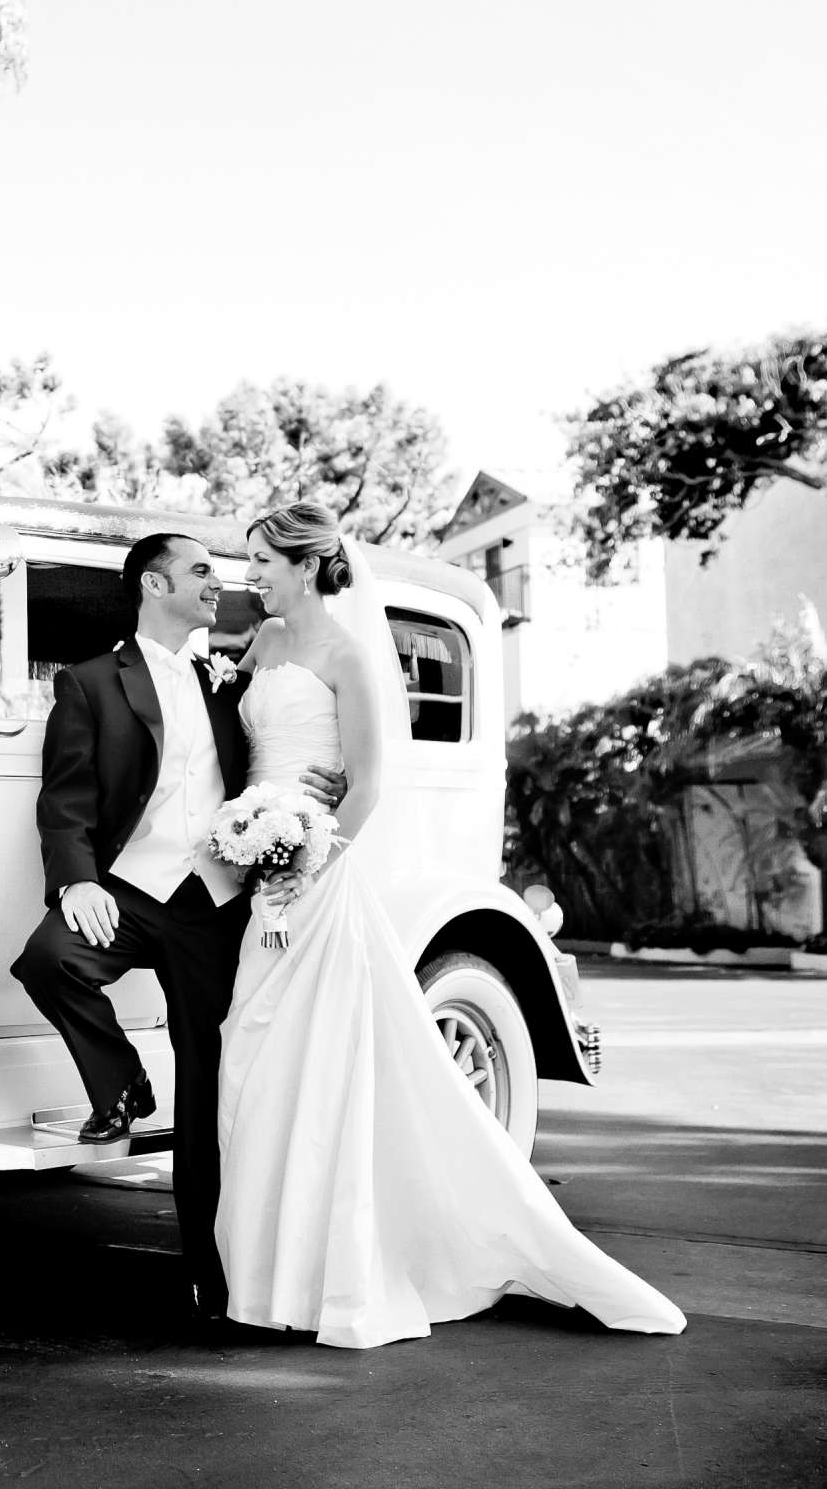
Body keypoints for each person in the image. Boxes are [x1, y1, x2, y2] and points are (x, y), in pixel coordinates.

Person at [215, 501, 686, 1346]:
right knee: (256, 1067)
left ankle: (334, 1276)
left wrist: (304, 862)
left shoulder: (351, 656)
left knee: (318, 1071)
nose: (248, 573)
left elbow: (364, 785)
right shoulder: (265, 644)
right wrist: (256, 840)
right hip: (262, 872)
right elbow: (246, 744)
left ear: (304, 561)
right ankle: (265, 1277)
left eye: (260, 560)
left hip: (314, 881)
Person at [11, 531, 342, 1320]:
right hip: (131, 888)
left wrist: (326, 784)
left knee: (211, 1085)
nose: (217, 584)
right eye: (201, 572)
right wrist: (76, 884)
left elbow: (288, 744)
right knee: (48, 960)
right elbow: (65, 800)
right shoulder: (90, 683)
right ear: (155, 585)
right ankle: (122, 1083)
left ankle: (213, 1273)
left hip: (215, 900)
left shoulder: (229, 679)